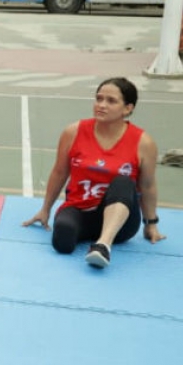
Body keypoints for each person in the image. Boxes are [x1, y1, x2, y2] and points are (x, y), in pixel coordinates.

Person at [23, 77, 165, 268]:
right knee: (62, 242)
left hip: (122, 221)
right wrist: (45, 209)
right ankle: (95, 238)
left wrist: (151, 223)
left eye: (111, 101)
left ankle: (103, 244)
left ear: (128, 108)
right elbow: (59, 172)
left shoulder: (143, 142)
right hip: (81, 209)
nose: (102, 105)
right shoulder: (73, 132)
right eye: (99, 99)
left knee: (123, 182)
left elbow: (147, 185)